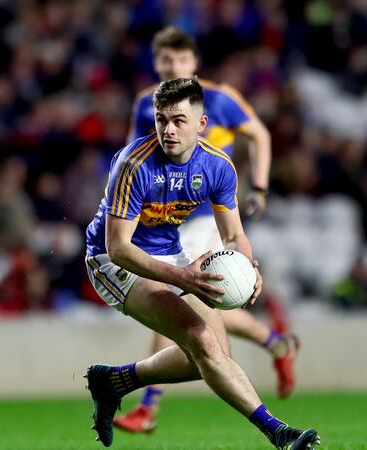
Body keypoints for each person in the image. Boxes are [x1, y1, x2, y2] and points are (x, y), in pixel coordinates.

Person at [83, 78, 320, 449]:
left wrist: (249, 267)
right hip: (111, 261)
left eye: (179, 120)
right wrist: (182, 276)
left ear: (201, 123)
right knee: (202, 339)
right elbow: (119, 249)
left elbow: (234, 235)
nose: (168, 130)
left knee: (212, 357)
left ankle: (114, 381)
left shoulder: (218, 166)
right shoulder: (133, 164)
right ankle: (279, 433)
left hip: (169, 251)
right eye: (161, 120)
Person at [114, 26, 298, 434]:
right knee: (208, 310)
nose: (173, 67)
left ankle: (148, 405)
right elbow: (132, 154)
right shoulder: (146, 103)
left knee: (180, 299)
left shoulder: (221, 99)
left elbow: (259, 134)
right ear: (156, 63)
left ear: (194, 62)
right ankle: (276, 342)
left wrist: (260, 187)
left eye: (181, 59)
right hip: (164, 218)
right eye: (166, 60)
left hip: (204, 216)